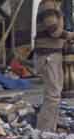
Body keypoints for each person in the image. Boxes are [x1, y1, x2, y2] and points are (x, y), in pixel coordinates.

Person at [35, 0, 74, 132]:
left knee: (54, 95)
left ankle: (49, 129)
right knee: (52, 96)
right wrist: (70, 35)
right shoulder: (48, 5)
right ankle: (44, 131)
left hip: (53, 54)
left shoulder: (55, 6)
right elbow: (54, 31)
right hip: (48, 56)